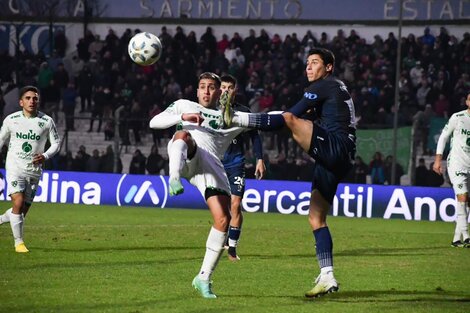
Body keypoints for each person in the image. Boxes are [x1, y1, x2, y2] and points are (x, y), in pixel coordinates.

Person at [225, 48, 356, 298]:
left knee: (288, 119)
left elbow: (289, 117)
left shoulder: (325, 85)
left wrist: (240, 120)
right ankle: (327, 275)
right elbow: (284, 117)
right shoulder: (333, 89)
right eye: (307, 63)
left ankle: (239, 119)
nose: (308, 67)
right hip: (341, 157)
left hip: (336, 146)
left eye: (315, 63)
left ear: (328, 67)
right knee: (316, 218)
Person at [149, 72, 247, 299]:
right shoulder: (184, 105)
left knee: (223, 220)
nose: (206, 91)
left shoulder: (228, 117)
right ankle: (173, 178)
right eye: (202, 86)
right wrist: (182, 116)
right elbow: (154, 122)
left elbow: (264, 121)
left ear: (219, 91)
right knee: (183, 135)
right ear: (196, 90)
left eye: (211, 87)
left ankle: (203, 278)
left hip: (211, 166)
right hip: (185, 157)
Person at [0, 86, 61, 253]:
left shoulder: (46, 121)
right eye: (27, 98)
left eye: (35, 98)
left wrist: (45, 156)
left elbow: (56, 143)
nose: (31, 101)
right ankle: (18, 243)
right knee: (17, 203)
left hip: (33, 171)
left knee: (20, 212)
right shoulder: (11, 120)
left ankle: (1, 219)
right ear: (21, 102)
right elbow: (0, 140)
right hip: (14, 167)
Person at [219, 74, 266, 261]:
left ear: (235, 90)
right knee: (221, 209)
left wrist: (260, 159)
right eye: (222, 87)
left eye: (229, 87)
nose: (225, 91)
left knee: (236, 205)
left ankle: (232, 248)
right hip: (216, 163)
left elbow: (255, 137)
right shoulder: (211, 111)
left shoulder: (244, 112)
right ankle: (221, 238)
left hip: (236, 163)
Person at [433, 92, 470, 248]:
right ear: (467, 102)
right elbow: (443, 137)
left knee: (466, 202)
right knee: (463, 197)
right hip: (456, 163)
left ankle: (456, 239)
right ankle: (467, 236)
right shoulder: (458, 117)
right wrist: (437, 160)